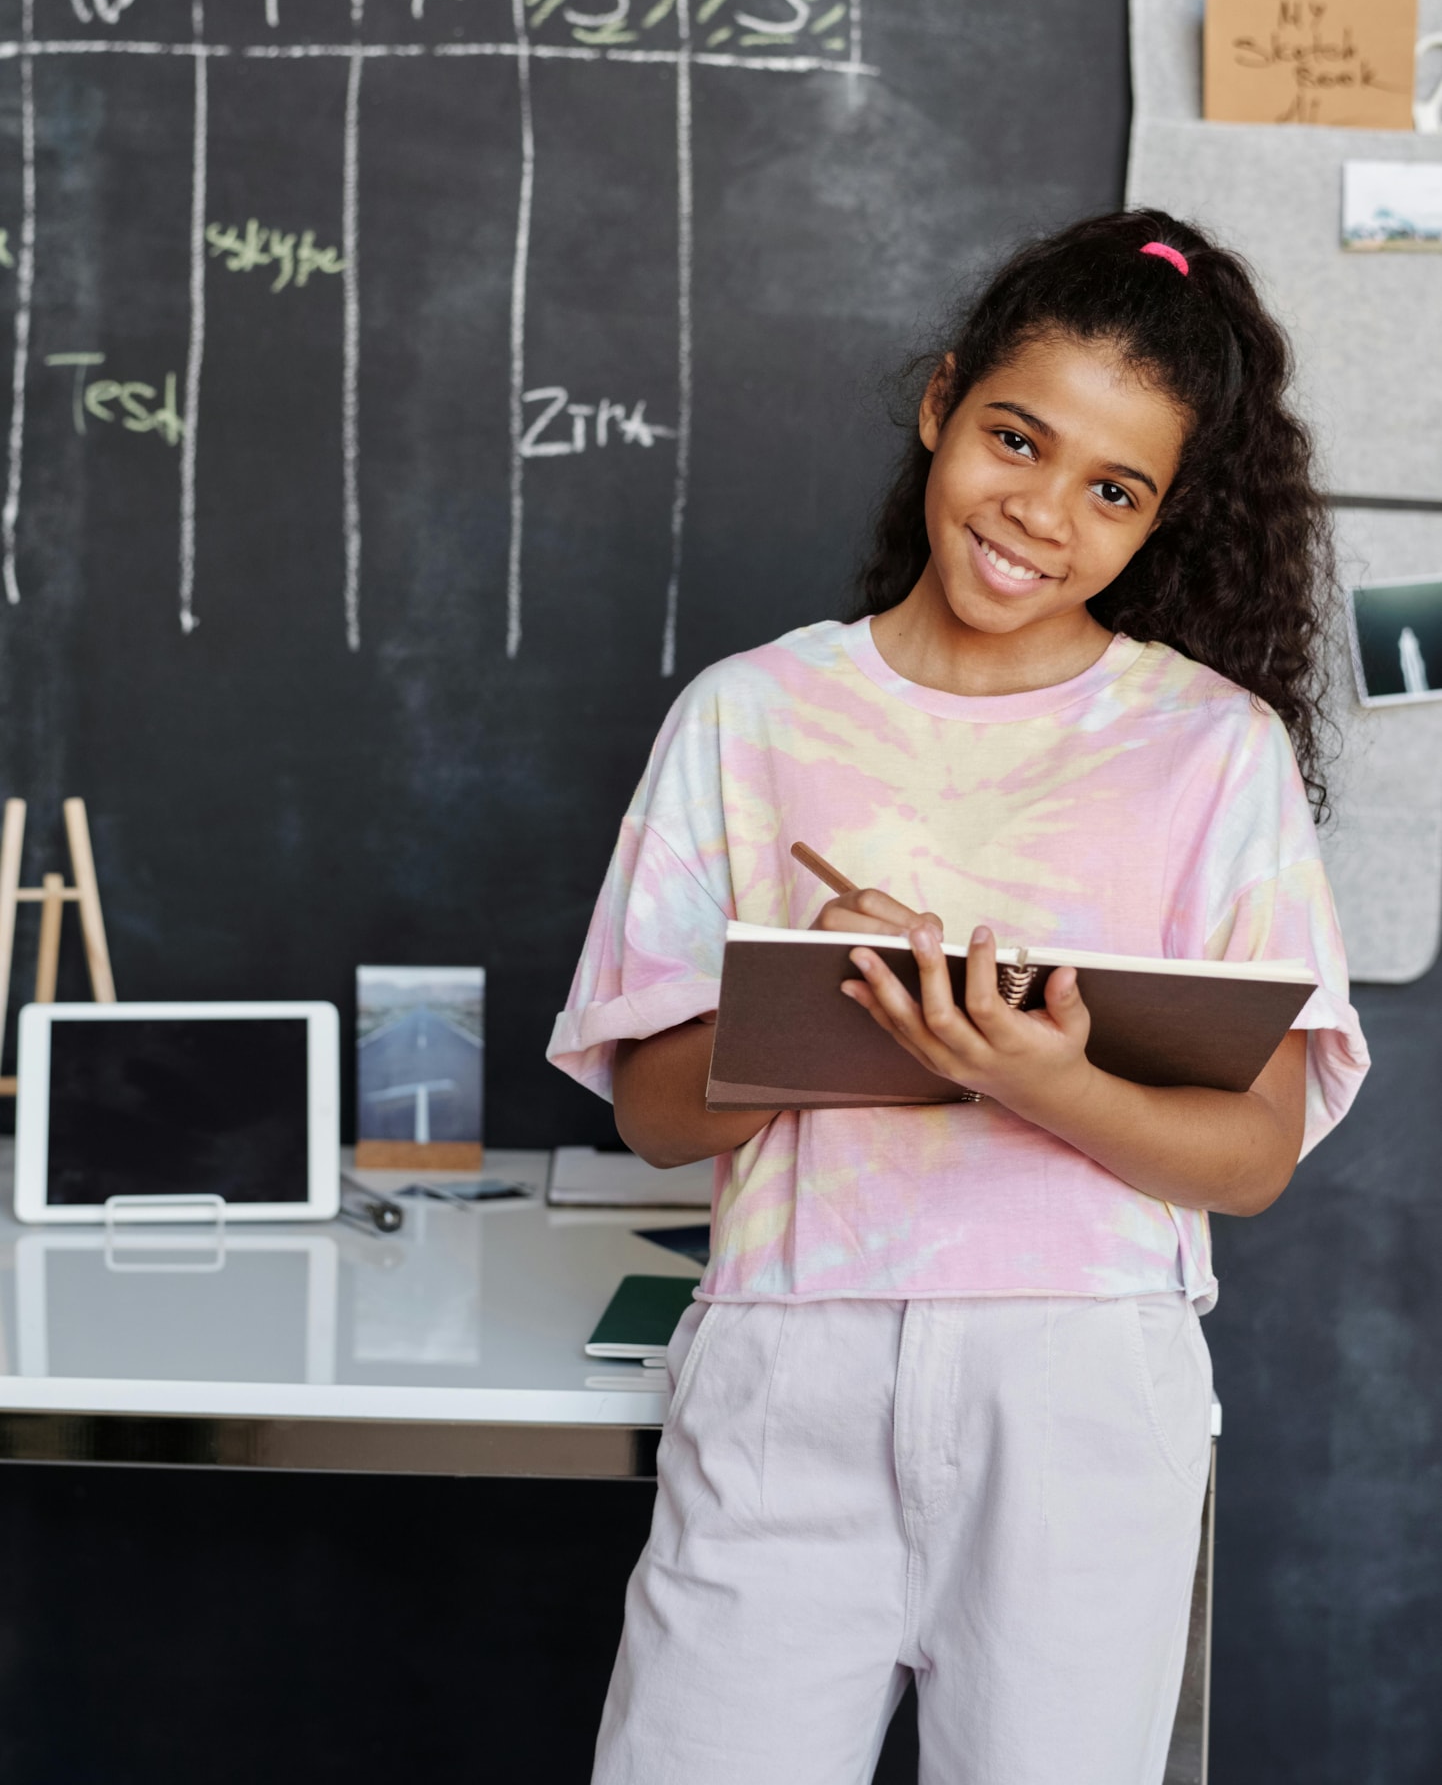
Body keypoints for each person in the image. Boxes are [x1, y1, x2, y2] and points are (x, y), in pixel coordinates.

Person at [548, 210, 1369, 1785]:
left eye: (1110, 489)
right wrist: (846, 1003)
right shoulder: (750, 714)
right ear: (941, 405)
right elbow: (653, 1113)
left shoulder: (1211, 753)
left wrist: (1035, 1075)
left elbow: (1252, 1157)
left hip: (1078, 1384)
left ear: (1158, 521)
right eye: (1016, 438)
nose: (1040, 513)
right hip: (791, 1363)